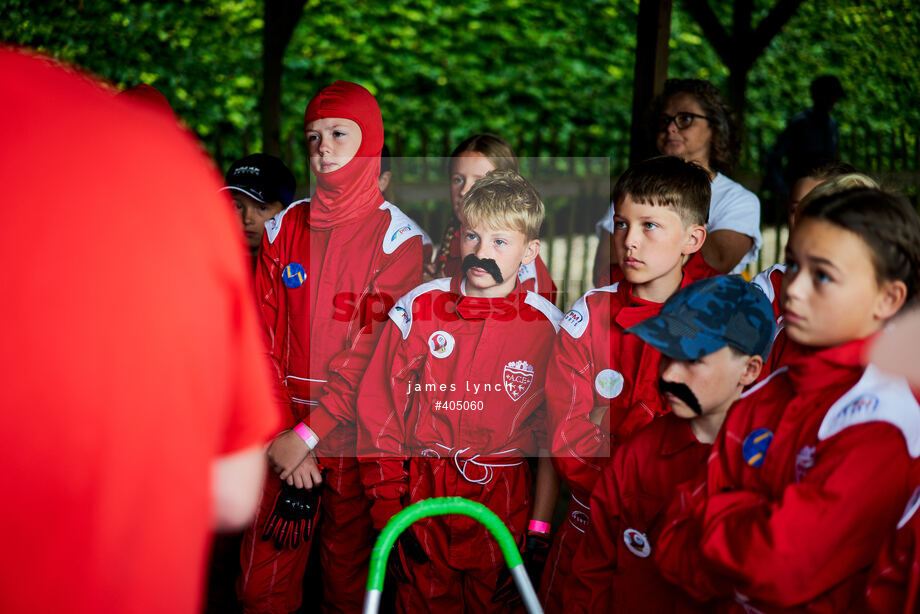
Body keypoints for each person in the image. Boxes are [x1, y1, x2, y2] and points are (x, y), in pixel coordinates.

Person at [0, 48, 278, 614]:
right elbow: (232, 490)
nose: (246, 218)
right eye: (238, 203)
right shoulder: (187, 206)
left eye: (260, 206)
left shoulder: (44, 170)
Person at [656, 187, 920, 612]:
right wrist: (752, 518)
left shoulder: (888, 418)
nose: (793, 288)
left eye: (823, 276)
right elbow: (671, 547)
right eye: (794, 265)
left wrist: (715, 510)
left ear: (887, 299)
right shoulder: (770, 391)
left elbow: (778, 571)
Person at [237, 81, 425, 614]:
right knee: (260, 588)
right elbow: (259, 339)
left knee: (346, 586)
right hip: (279, 427)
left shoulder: (400, 240)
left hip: (353, 431)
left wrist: (310, 434)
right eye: (314, 135)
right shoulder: (281, 229)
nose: (323, 147)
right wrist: (283, 434)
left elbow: (371, 357)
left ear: (370, 142)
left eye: (339, 134)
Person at [357, 170, 563, 613]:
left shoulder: (549, 326)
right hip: (425, 489)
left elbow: (554, 437)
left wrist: (540, 530)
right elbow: (380, 413)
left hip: (503, 495)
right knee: (423, 602)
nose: (481, 253)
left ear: (530, 252)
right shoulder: (416, 309)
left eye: (500, 242)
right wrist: (388, 510)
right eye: (472, 237)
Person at [541, 155, 710, 613]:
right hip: (588, 526)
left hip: (676, 532)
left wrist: (613, 422)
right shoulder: (588, 316)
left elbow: (713, 440)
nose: (629, 241)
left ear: (692, 239)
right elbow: (568, 439)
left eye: (649, 226)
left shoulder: (719, 320)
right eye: (621, 224)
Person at [564, 275, 775, 613]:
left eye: (693, 360)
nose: (669, 376)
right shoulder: (636, 456)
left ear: (749, 370)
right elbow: (591, 574)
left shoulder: (775, 465)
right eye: (666, 354)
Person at [594, 79, 762, 282]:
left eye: (685, 119)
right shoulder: (635, 190)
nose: (671, 128)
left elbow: (717, 262)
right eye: (664, 121)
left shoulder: (739, 199)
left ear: (715, 128)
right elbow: (605, 273)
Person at [428, 133, 557, 304]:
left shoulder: (518, 260)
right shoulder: (455, 234)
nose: (464, 190)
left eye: (480, 180)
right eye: (458, 179)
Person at [764, 75, 846, 202]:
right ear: (816, 96)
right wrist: (782, 188)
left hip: (824, 189)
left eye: (834, 97)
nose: (832, 101)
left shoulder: (832, 125)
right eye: (828, 96)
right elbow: (775, 157)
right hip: (799, 188)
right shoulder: (800, 123)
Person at [221, 153, 297, 267]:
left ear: (286, 212)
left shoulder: (298, 269)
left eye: (262, 207)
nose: (247, 219)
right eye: (237, 206)